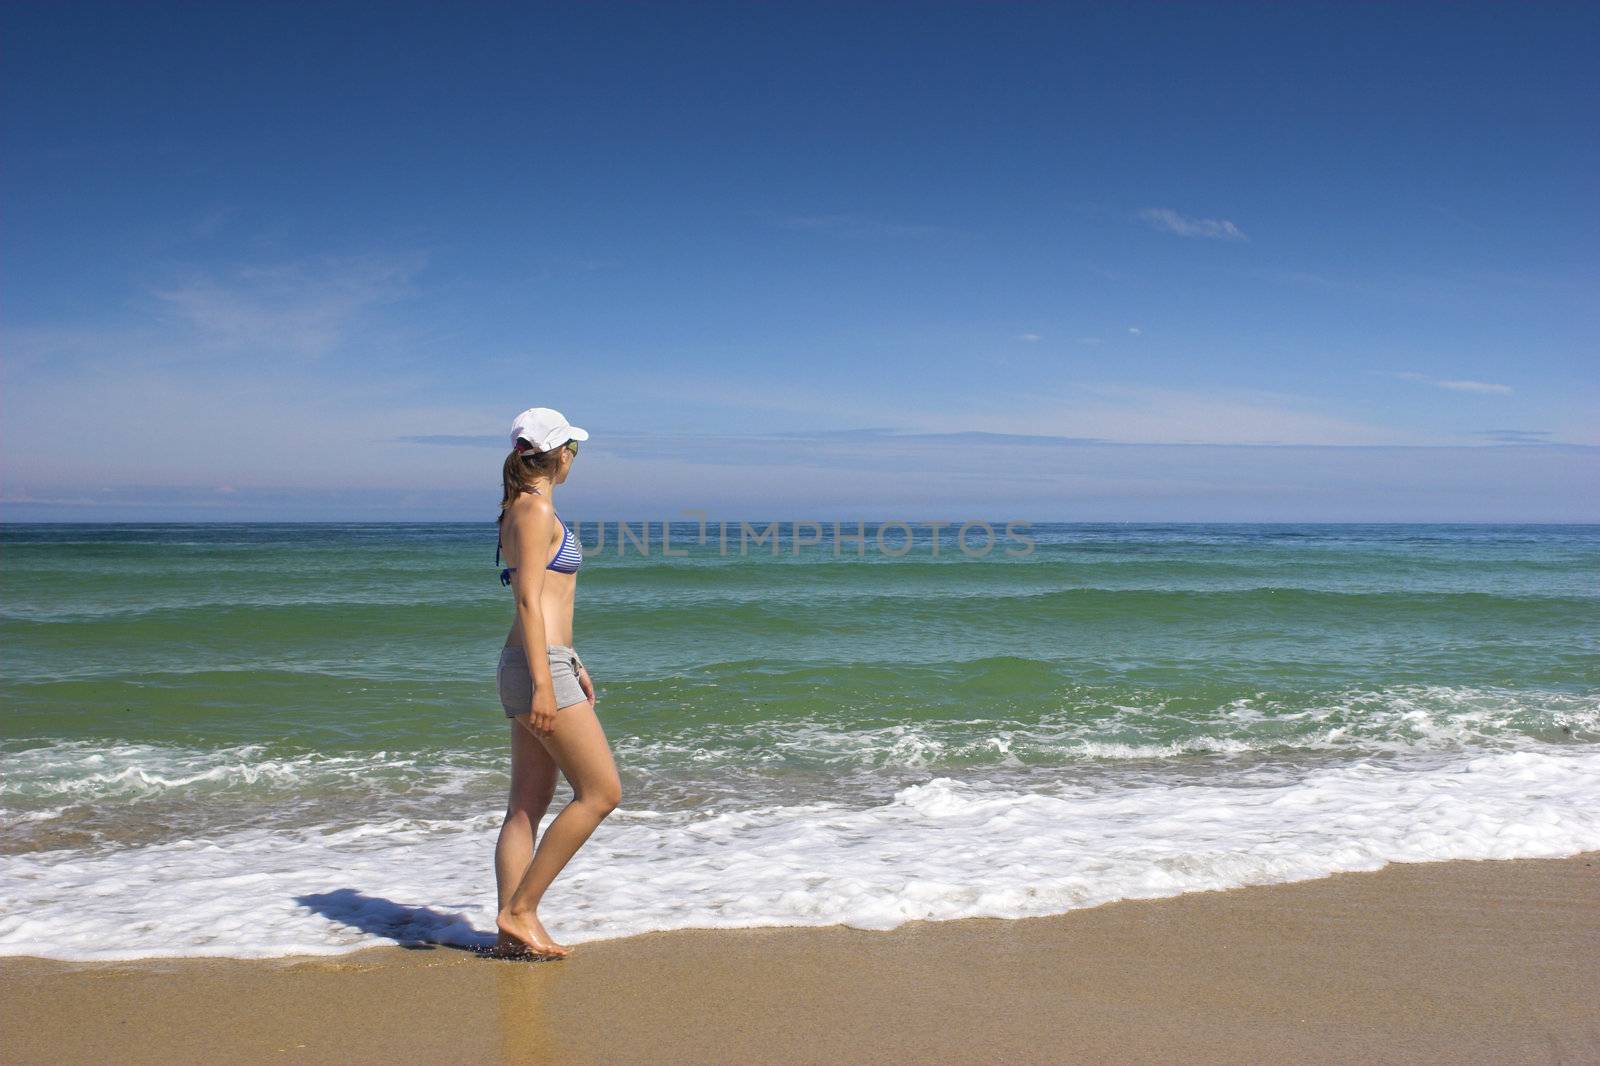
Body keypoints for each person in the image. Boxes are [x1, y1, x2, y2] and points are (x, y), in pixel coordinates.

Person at [490, 406, 620, 960]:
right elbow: (526, 601)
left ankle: (511, 931)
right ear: (558, 453)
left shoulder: (521, 509)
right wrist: (547, 682)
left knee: (526, 805)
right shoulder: (535, 510)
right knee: (601, 793)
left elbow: (544, 601)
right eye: (574, 449)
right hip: (537, 667)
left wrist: (572, 659)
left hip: (541, 660)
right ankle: (520, 911)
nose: (575, 459)